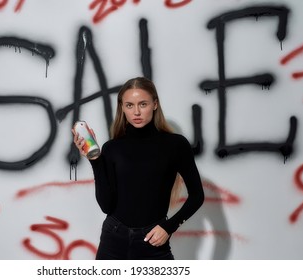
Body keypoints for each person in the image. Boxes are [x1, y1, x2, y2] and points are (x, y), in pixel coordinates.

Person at [72, 77, 204, 260]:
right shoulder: (112, 148)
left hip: (153, 239)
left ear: (155, 104)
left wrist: (169, 227)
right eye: (129, 105)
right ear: (122, 107)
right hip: (113, 238)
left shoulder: (176, 144)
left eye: (143, 104)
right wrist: (95, 160)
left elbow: (197, 195)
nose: (136, 112)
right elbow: (106, 205)